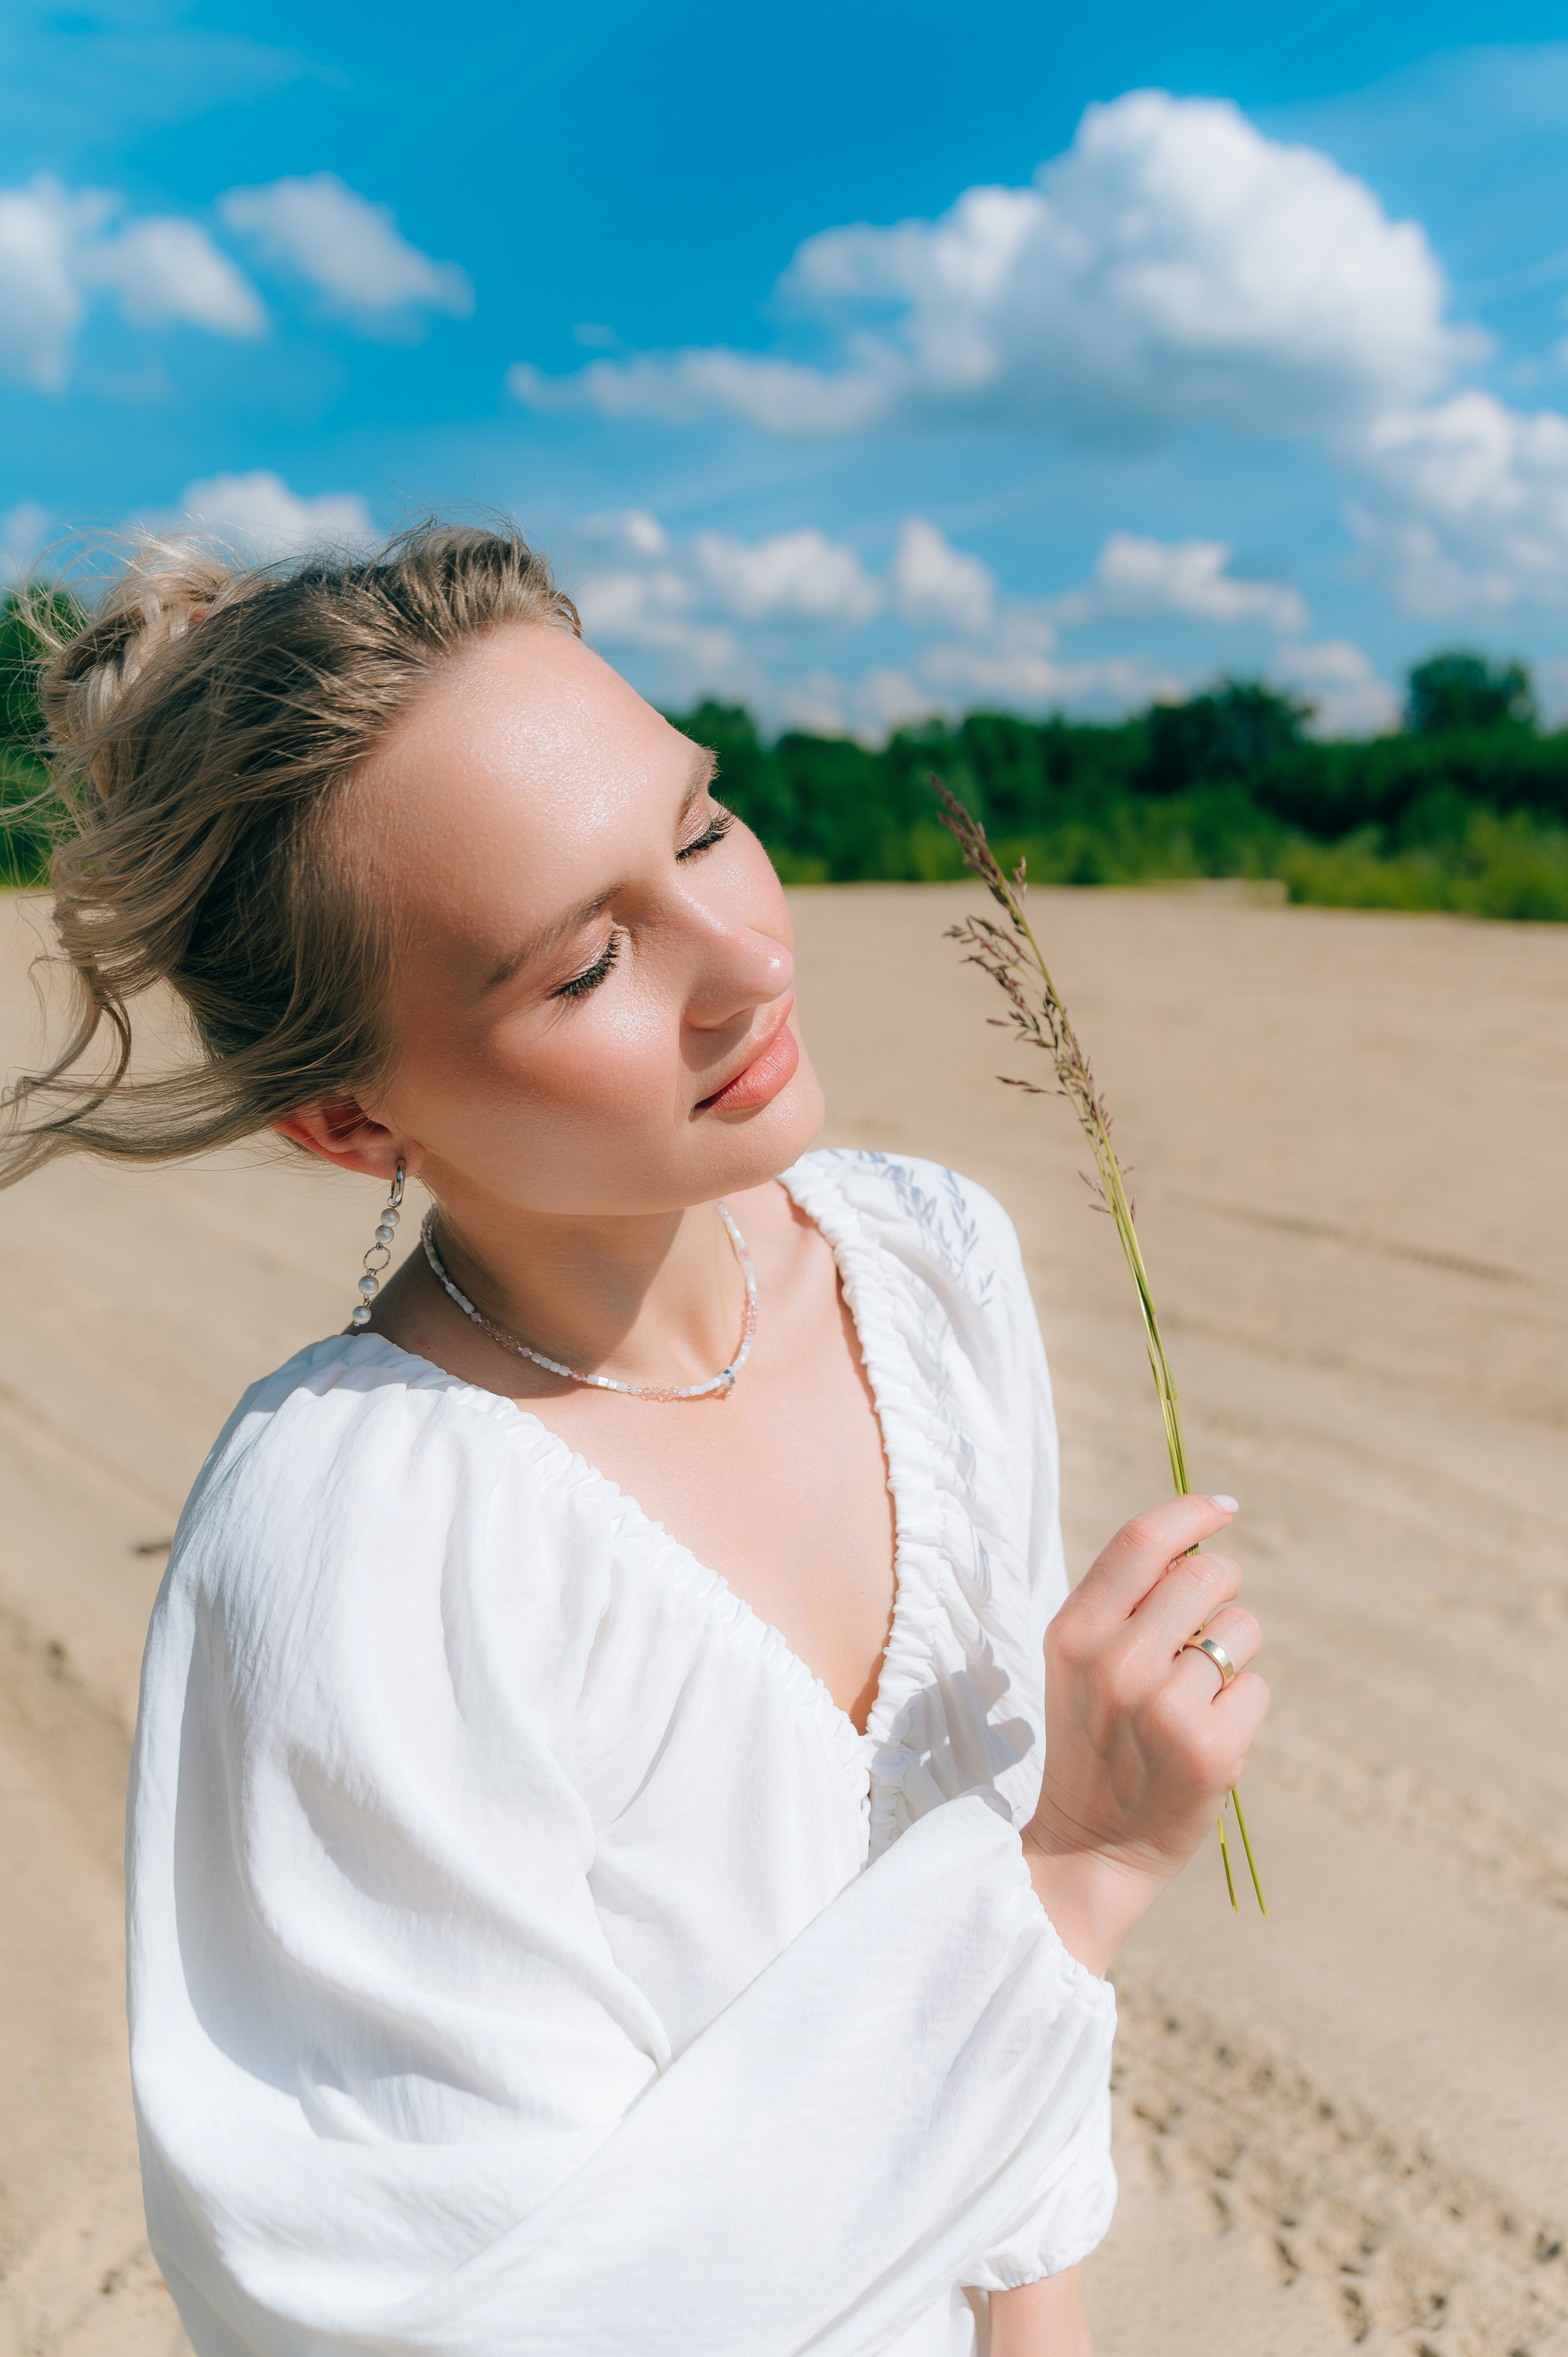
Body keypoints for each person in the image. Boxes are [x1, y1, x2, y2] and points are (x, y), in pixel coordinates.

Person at [1, 526, 1267, 2357]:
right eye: (587, 961)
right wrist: (1079, 1877)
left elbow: (1015, 2074)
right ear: (350, 1124)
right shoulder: (360, 1544)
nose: (746, 956)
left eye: (696, 826)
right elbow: (461, 2318)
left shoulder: (926, 1263)